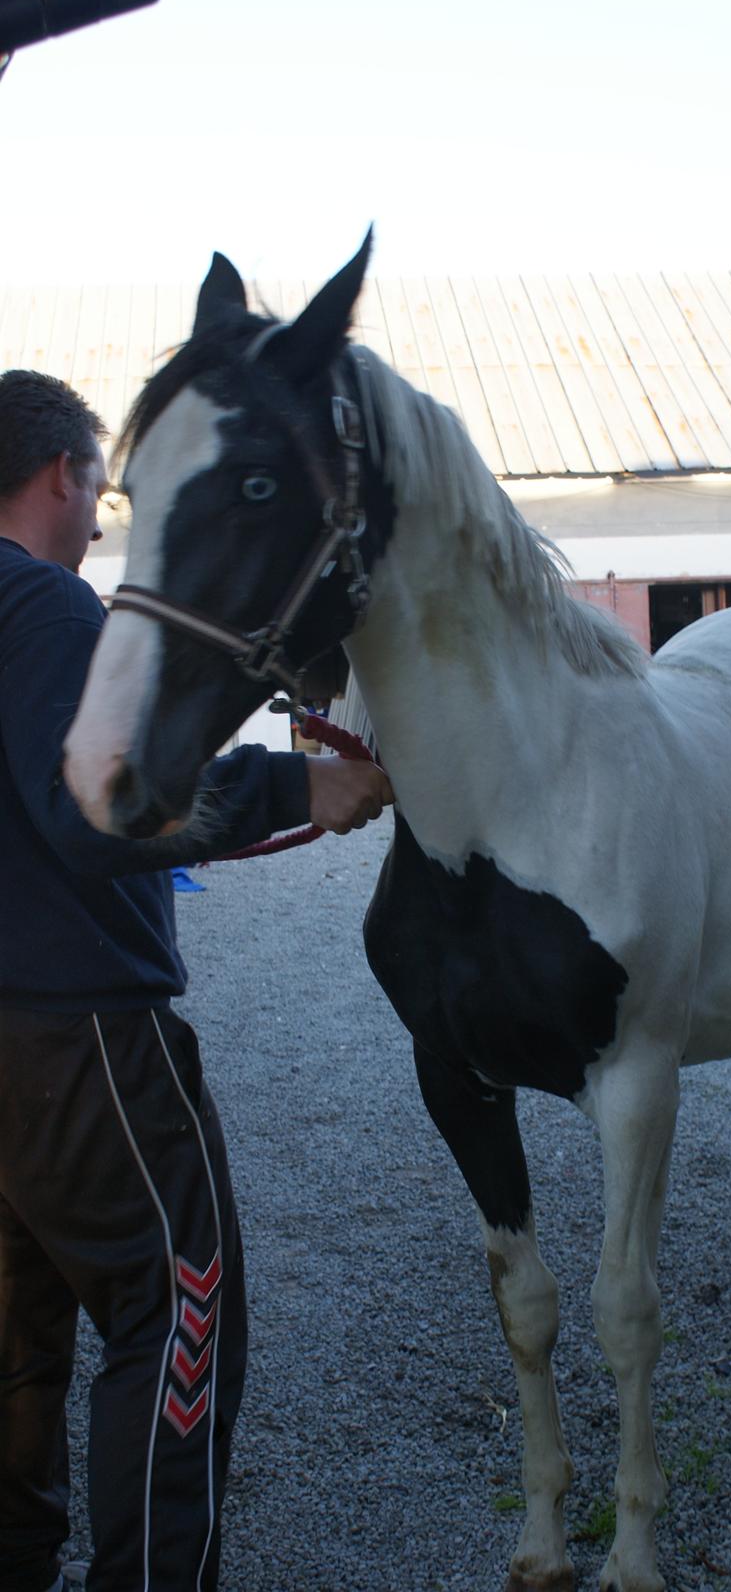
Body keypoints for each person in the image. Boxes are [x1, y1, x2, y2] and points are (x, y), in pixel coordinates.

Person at [0, 369, 394, 1592]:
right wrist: (296, 786)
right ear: (66, 471)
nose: (105, 509)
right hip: (78, 1037)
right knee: (178, 1310)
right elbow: (104, 810)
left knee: (16, 1335)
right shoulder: (49, 614)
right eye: (103, 484)